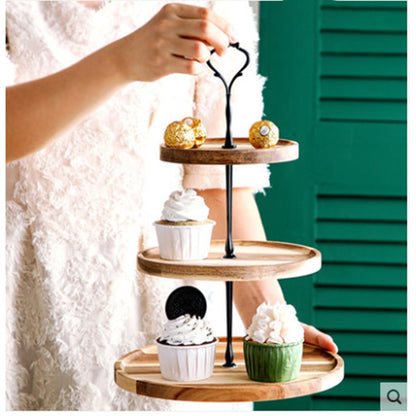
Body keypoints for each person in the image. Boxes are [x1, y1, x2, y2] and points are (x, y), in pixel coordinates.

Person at [5, 0, 337, 411]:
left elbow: (220, 184)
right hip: (32, 296)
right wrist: (121, 61)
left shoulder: (213, 6)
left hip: (177, 315)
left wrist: (270, 318)